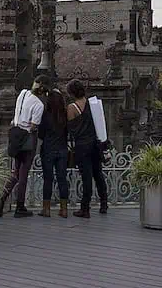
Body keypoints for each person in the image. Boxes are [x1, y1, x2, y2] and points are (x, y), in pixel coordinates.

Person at [0, 74, 48, 218]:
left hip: (15, 135)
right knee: (23, 173)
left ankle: (2, 199)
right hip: (27, 138)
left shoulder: (23, 94)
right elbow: (34, 126)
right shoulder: (39, 105)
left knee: (15, 172)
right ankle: (20, 206)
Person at [66, 78, 107, 218]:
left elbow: (71, 129)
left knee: (87, 177)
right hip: (95, 144)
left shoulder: (72, 108)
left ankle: (85, 208)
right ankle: (104, 203)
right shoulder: (92, 104)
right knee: (98, 174)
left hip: (82, 146)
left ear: (71, 93)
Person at [38, 88, 69, 218]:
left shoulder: (46, 115)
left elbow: (41, 134)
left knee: (48, 179)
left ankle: (46, 209)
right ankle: (64, 209)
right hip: (62, 149)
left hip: (48, 149)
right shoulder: (65, 115)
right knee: (62, 179)